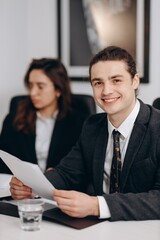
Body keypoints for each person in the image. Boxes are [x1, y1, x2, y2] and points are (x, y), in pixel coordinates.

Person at [10, 46, 160, 221]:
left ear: (135, 81)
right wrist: (31, 185)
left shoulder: (156, 128)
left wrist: (97, 205)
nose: (106, 91)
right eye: (98, 83)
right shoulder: (92, 126)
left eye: (116, 80)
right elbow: (67, 173)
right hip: (95, 229)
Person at [0, 58, 90, 173]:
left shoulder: (78, 122)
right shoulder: (14, 118)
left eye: (40, 86)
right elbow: (3, 161)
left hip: (61, 187)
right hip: (22, 187)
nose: (33, 93)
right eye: (31, 86)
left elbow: (82, 167)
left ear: (58, 90)